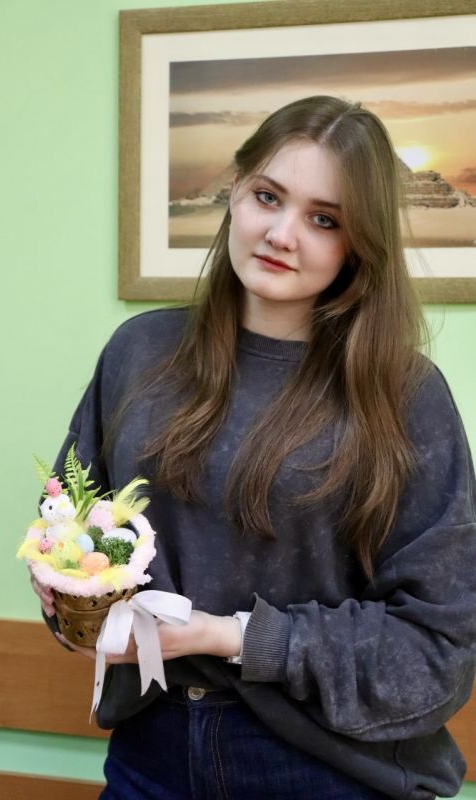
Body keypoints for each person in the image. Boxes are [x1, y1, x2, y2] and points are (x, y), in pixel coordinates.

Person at [31, 96, 476, 800]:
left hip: (326, 767)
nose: (280, 234)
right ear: (235, 191)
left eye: (324, 219)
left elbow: (435, 648)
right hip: (150, 752)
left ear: (359, 243)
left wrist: (225, 634)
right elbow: (71, 516)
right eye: (267, 197)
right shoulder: (139, 351)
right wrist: (66, 585)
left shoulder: (405, 396)